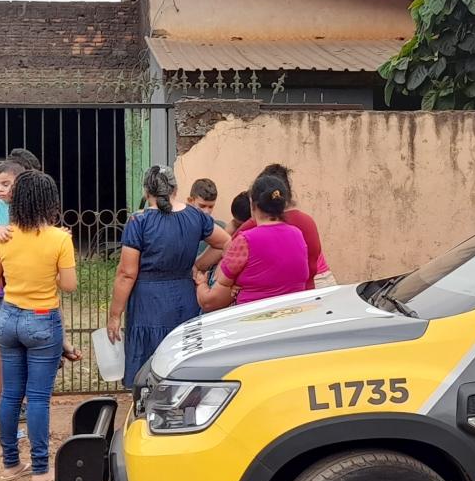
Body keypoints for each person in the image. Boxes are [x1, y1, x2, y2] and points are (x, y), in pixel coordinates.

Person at [0, 170, 77, 481]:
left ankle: (11, 464)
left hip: (8, 317)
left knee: (11, 394)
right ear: (50, 202)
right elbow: (69, 285)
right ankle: (40, 470)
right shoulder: (60, 239)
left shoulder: (3, 236)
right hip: (42, 319)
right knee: (37, 398)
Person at [106, 167, 229, 386]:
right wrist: (198, 265)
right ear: (176, 189)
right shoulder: (196, 217)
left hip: (148, 303)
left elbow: (127, 273)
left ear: (146, 191)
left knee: (147, 368)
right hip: (185, 298)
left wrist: (115, 314)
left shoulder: (139, 222)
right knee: (182, 363)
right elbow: (226, 243)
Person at [198, 175, 310, 312]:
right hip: (292, 318)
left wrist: (201, 283)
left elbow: (211, 302)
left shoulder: (245, 241)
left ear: (252, 204)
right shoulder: (297, 235)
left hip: (253, 322)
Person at [230, 164, 335, 289]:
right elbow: (311, 270)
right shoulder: (307, 222)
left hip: (291, 293)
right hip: (320, 284)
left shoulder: (252, 227)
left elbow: (229, 258)